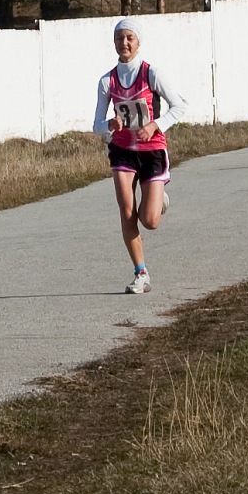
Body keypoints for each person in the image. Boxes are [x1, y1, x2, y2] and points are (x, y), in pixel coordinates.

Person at [93, 18, 187, 294]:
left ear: (138, 42)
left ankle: (158, 201)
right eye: (119, 38)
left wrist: (155, 125)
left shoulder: (151, 73)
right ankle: (140, 273)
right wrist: (110, 125)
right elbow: (96, 125)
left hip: (152, 150)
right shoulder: (107, 81)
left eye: (129, 38)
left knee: (150, 221)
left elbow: (179, 106)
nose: (124, 43)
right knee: (126, 211)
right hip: (122, 151)